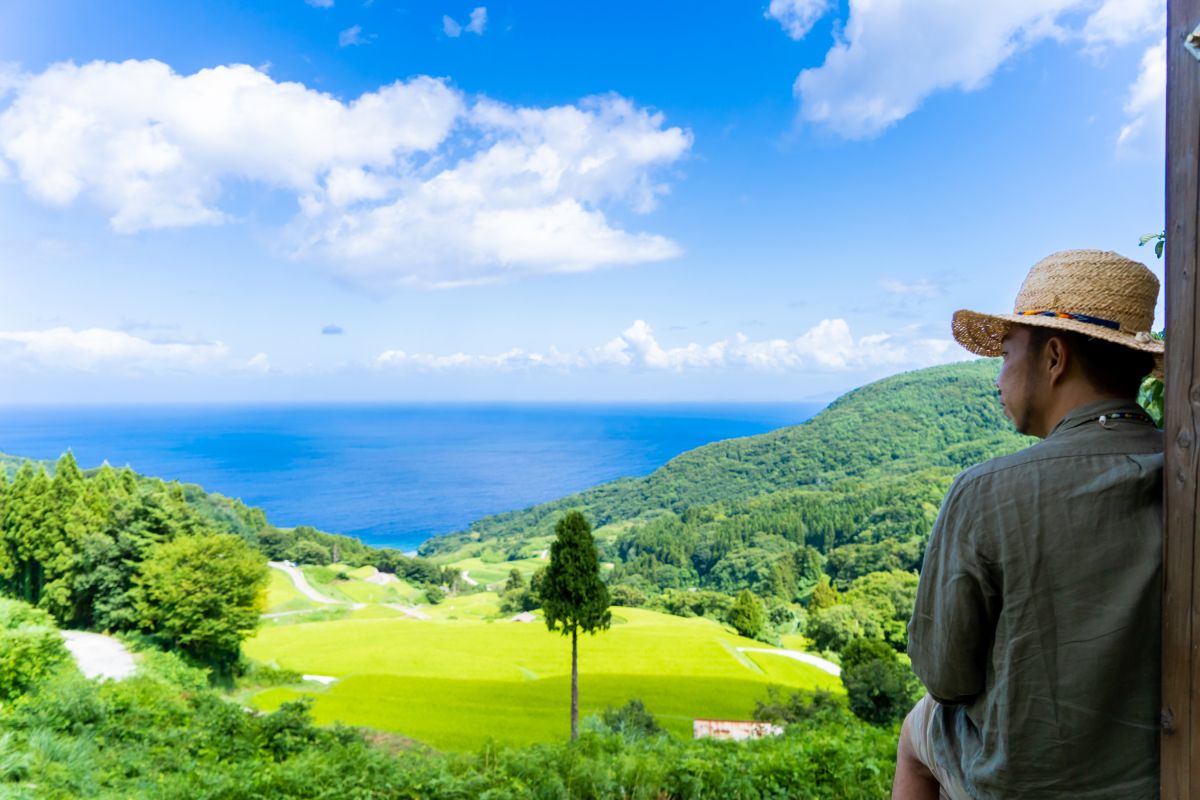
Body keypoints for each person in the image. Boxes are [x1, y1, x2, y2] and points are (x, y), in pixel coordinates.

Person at [893, 250, 1165, 800]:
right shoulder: (1180, 473)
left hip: (1021, 783)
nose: (998, 377)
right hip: (1158, 774)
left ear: (1054, 357)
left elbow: (946, 678)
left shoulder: (987, 491)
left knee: (916, 729)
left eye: (1006, 353)